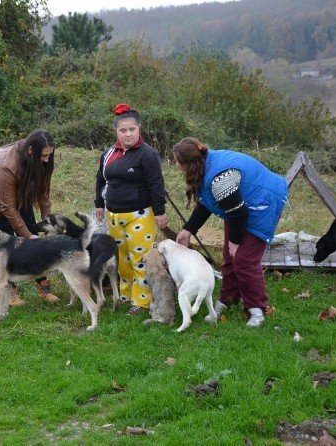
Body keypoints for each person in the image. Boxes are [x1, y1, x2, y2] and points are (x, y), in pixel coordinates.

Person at [171, 137, 287, 327]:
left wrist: (235, 240)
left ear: (190, 164)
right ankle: (227, 300)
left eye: (177, 161)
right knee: (229, 257)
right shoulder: (205, 165)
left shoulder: (221, 179)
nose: (176, 165)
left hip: (262, 202)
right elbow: (207, 203)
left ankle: (257, 309)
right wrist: (188, 230)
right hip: (238, 207)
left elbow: (239, 214)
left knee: (244, 260)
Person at [94, 103, 168, 315]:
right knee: (122, 260)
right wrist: (99, 204)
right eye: (123, 130)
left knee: (140, 259)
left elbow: (156, 184)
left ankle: (142, 302)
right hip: (114, 215)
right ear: (115, 131)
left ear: (139, 129)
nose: (128, 134)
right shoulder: (108, 153)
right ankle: (125, 295)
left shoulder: (148, 154)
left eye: (132, 129)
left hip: (140, 215)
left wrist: (160, 212)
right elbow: (100, 179)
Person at [0, 129, 59, 306]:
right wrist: (27, 237)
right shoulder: (8, 165)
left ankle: (42, 283)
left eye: (49, 155)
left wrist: (48, 222)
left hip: (19, 193)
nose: (47, 160)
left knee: (32, 232)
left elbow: (44, 195)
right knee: (4, 244)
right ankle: (9, 288)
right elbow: (8, 207)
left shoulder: (41, 160)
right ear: (30, 151)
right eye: (43, 156)